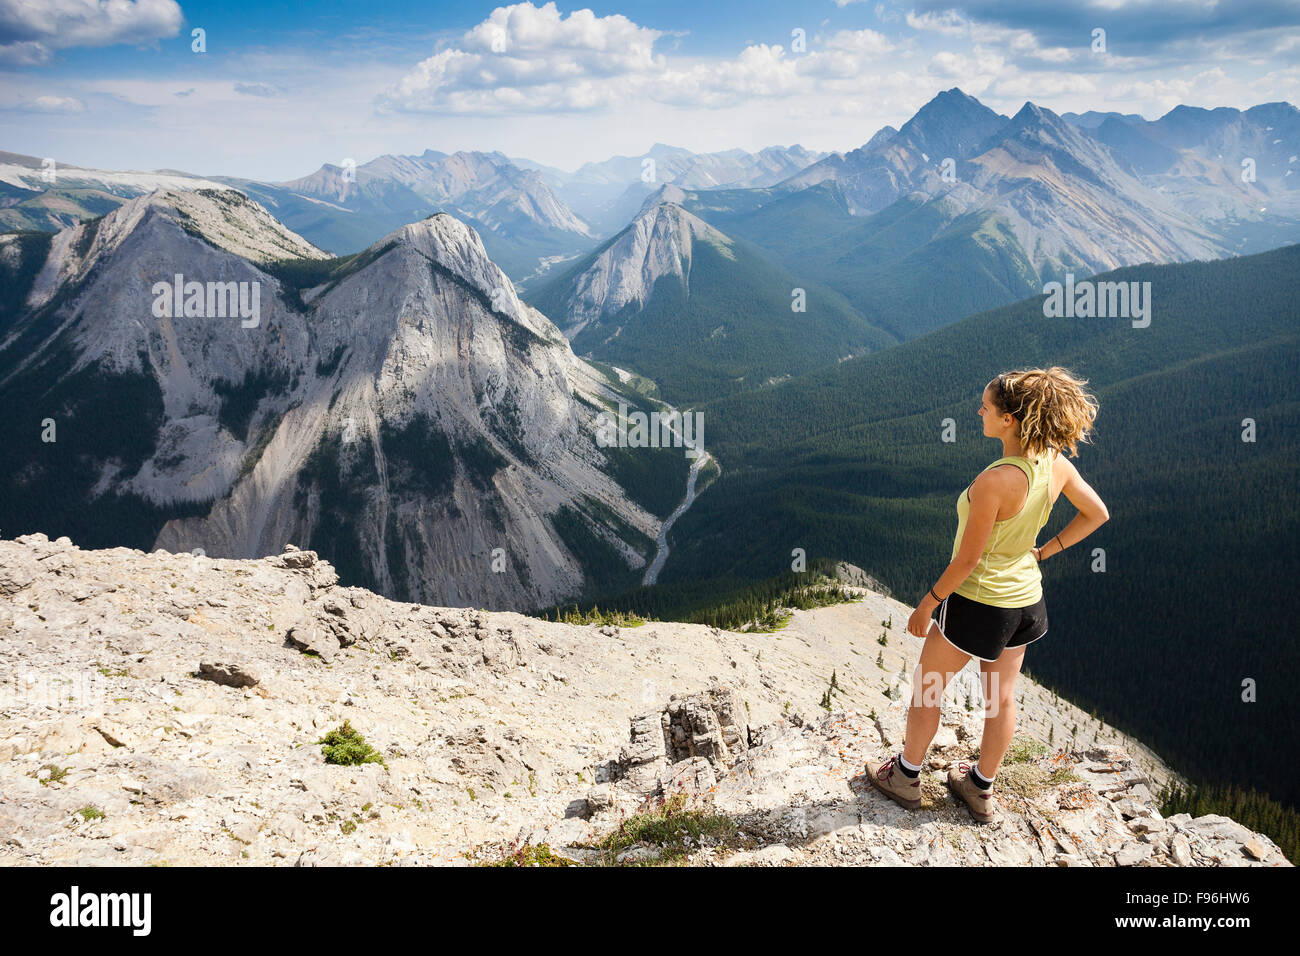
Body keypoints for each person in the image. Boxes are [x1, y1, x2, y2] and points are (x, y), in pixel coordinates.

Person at [866, 366, 1109, 822]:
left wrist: (927, 605)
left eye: (986, 406)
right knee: (1001, 698)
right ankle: (979, 787)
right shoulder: (1055, 462)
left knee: (928, 690)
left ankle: (905, 777)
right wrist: (1044, 552)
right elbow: (1097, 513)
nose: (979, 410)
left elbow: (968, 560)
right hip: (1025, 603)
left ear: (1009, 421)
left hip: (978, 604)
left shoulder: (995, 481)